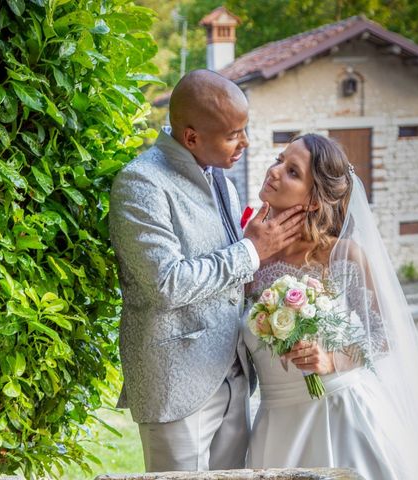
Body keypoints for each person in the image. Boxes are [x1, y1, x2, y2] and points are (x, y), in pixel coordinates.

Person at [108, 69, 305, 472]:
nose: (245, 143)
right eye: (234, 134)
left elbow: (230, 279)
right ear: (192, 137)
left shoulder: (224, 183)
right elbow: (167, 282)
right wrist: (251, 250)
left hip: (236, 376)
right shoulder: (141, 183)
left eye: (244, 130)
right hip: (178, 384)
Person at [244, 133, 418, 479]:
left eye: (293, 171)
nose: (275, 171)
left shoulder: (343, 256)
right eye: (279, 159)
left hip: (341, 417)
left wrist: (334, 358)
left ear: (314, 201)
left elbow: (386, 335)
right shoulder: (249, 255)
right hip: (275, 424)